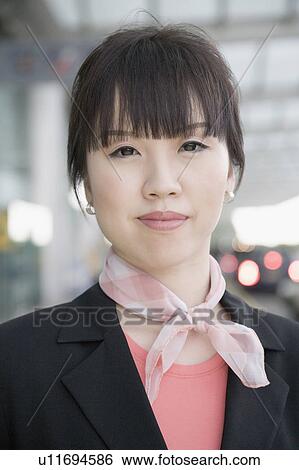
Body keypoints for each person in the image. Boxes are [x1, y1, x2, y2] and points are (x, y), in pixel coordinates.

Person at [0, 21, 299, 451]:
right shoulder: (14, 365)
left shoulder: (293, 353)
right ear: (84, 182)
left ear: (231, 170)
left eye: (191, 145)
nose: (162, 183)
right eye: (125, 150)